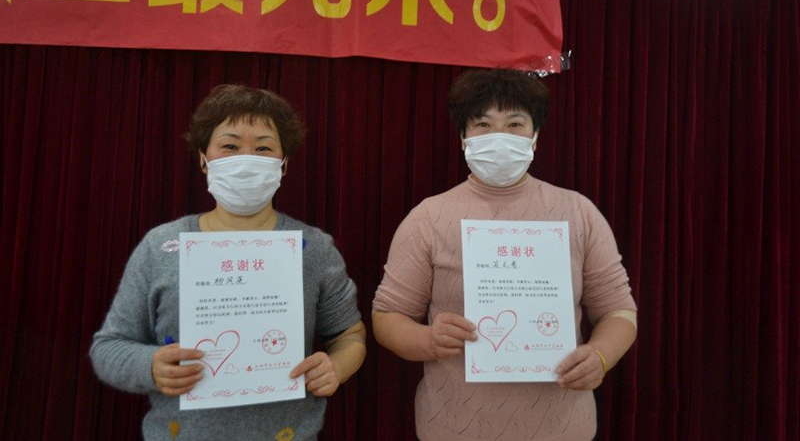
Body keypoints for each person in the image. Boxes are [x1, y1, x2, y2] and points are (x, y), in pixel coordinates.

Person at [372, 68, 637, 440]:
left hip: (563, 428)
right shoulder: (429, 218)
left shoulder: (578, 212)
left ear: (535, 137)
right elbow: (387, 316)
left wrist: (601, 355)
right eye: (483, 125)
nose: (499, 137)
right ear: (463, 138)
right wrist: (427, 340)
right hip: (454, 428)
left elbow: (619, 311)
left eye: (514, 124)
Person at [91, 84, 366, 441]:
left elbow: (350, 336)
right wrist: (150, 367)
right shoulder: (162, 246)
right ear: (203, 159)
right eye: (230, 146)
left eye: (263, 148)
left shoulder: (313, 248)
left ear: (283, 164)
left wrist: (336, 367)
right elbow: (108, 348)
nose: (246, 159)